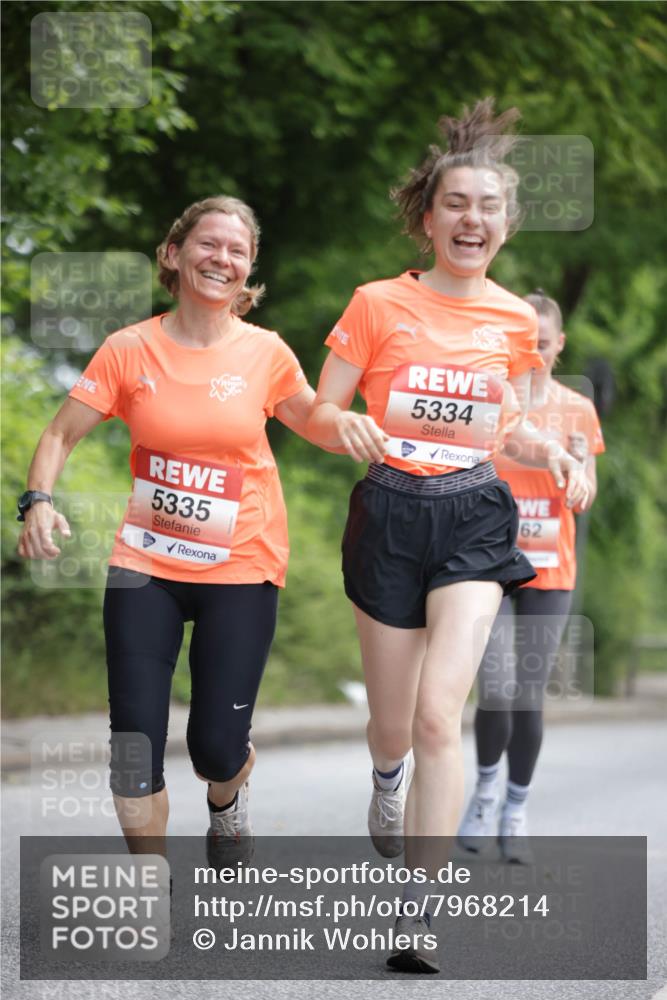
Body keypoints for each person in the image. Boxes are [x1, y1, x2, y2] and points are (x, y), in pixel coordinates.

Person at [306, 99, 589, 974]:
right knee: (392, 728)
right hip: (389, 515)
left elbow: (506, 425)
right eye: (455, 204)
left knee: (439, 715)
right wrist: (341, 426)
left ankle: (418, 915)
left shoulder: (512, 322)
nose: (472, 219)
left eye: (487, 207)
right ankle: (385, 780)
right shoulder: (376, 302)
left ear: (505, 223)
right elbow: (319, 409)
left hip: (473, 515)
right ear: (426, 218)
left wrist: (554, 452)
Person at [17, 195, 319, 863]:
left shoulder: (266, 353)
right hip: (146, 563)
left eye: (237, 250)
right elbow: (61, 434)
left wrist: (376, 430)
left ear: (249, 270)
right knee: (133, 746)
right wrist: (37, 500)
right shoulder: (129, 349)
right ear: (174, 254)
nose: (222, 258)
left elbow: (318, 423)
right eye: (208, 244)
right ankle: (150, 880)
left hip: (241, 564)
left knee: (216, 749)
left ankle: (227, 797)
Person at [458, 289, 604, 863]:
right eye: (524, 342)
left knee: (527, 697)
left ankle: (515, 807)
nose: (534, 353)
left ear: (558, 344)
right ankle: (484, 790)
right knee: (495, 688)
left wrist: (579, 470)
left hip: (549, 569)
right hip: (490, 565)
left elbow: (585, 494)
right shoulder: (488, 402)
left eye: (542, 343)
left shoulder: (578, 410)